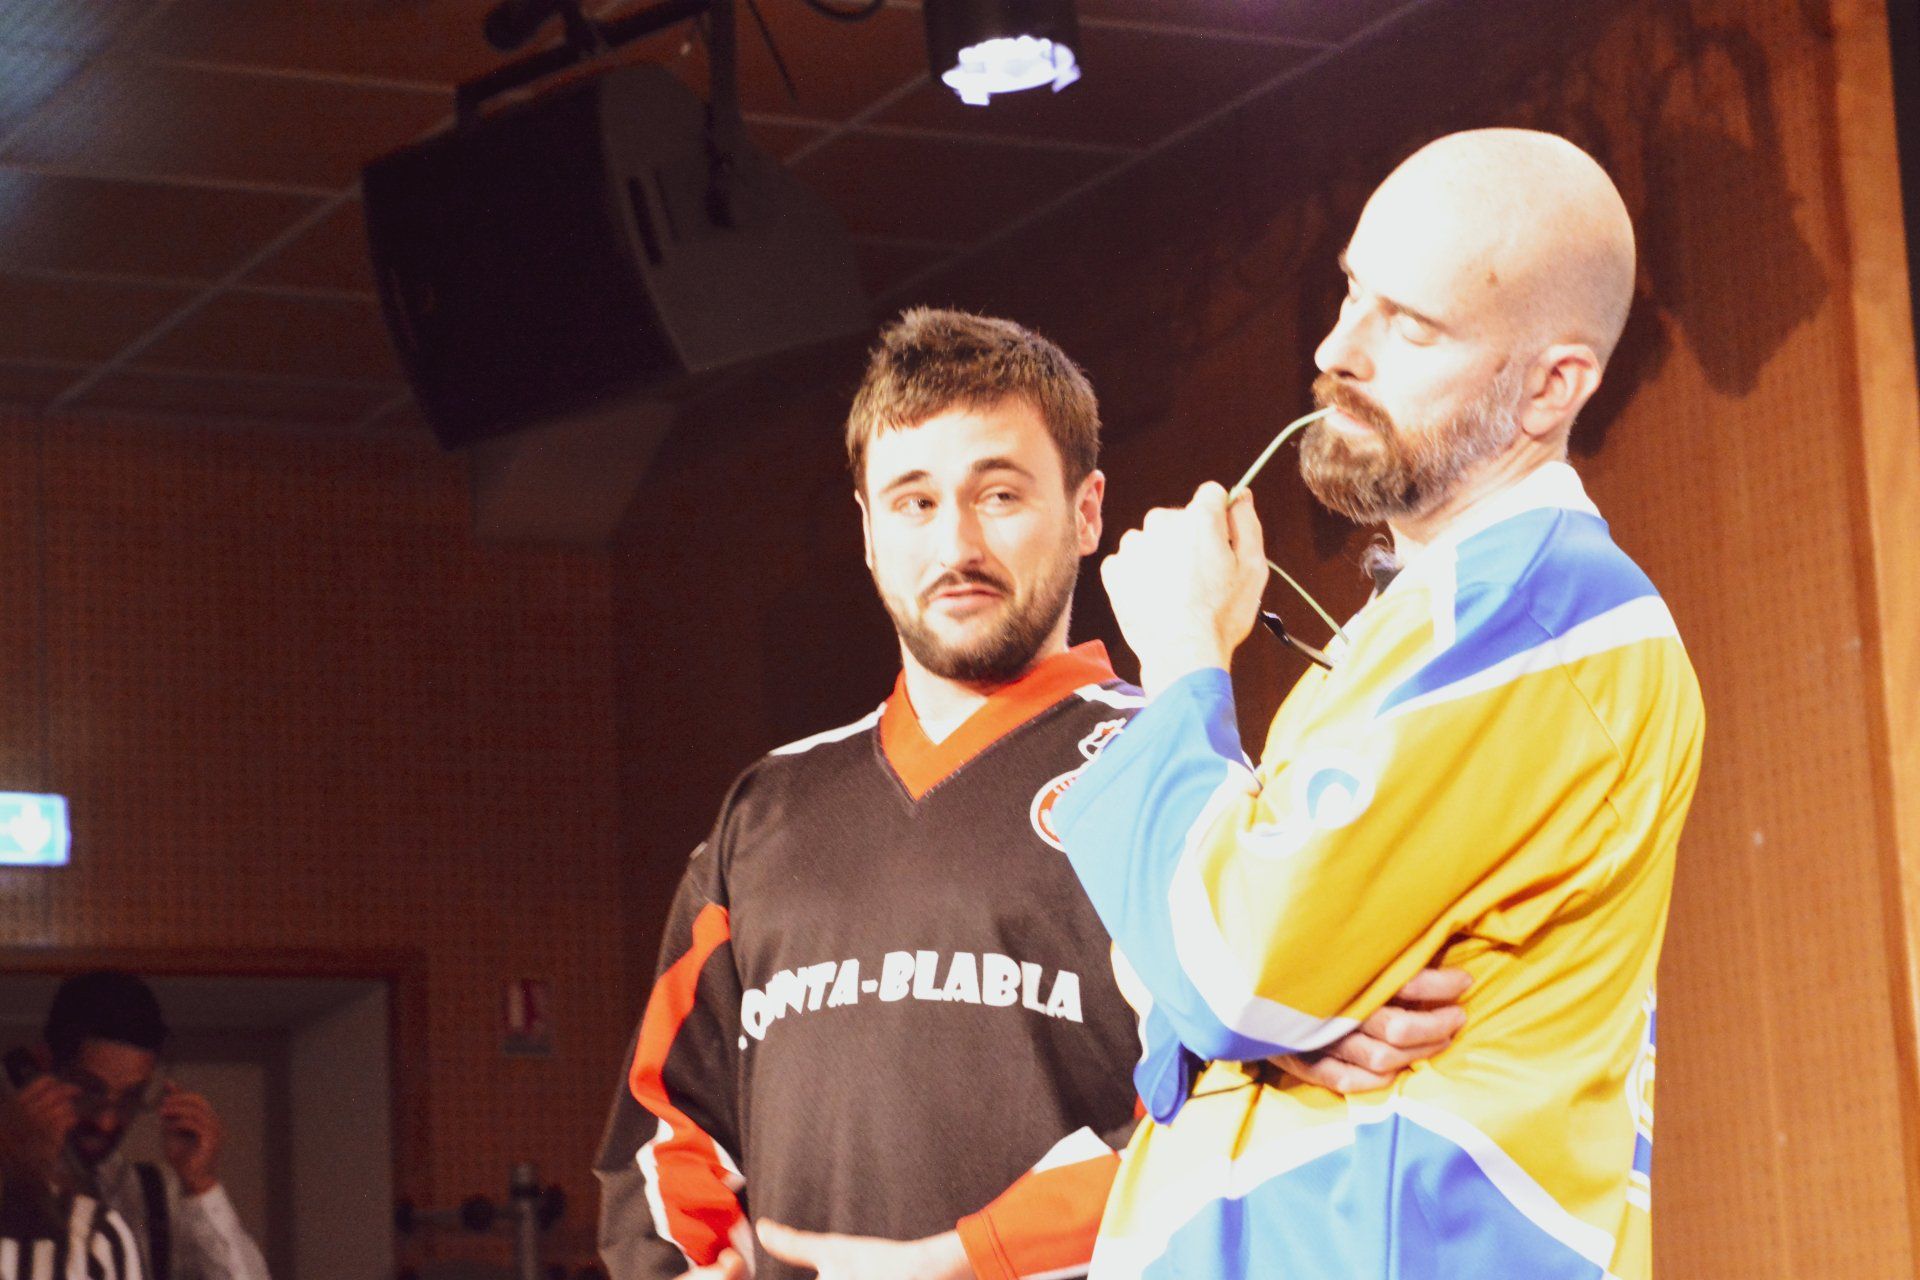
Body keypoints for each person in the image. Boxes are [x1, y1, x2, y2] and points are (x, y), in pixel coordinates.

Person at [594, 309, 1471, 1280]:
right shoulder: (766, 814)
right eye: (914, 502)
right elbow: (664, 1127)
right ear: (869, 531)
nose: (956, 542)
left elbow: (1242, 1130)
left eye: (1000, 493)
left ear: (1087, 512)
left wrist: (983, 1255)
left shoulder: (1178, 778)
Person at [1051, 128, 1706, 1279]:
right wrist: (1271, 1012)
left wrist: (1185, 658)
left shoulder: (1540, 616)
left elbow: (1222, 960)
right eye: (1353, 292)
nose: (1336, 350)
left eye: (1411, 326)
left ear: (1551, 386)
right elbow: (1198, 972)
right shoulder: (1424, 624)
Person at [0, 972, 270, 1280]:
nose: (107, 1122)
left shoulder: (152, 1199)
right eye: (90, 1090)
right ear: (42, 1065)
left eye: (130, 1098)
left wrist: (201, 1184)